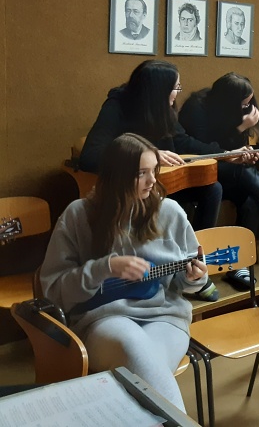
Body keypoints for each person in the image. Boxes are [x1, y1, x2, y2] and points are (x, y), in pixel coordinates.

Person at [41, 133, 208, 411]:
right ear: (116, 177)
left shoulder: (170, 212)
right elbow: (53, 291)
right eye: (141, 173)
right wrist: (103, 268)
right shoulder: (78, 215)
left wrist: (195, 277)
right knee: (138, 358)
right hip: (103, 319)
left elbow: (184, 280)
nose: (152, 181)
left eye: (154, 170)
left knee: (143, 383)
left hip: (165, 317)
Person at [78, 60, 227, 301]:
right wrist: (147, 154)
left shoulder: (165, 107)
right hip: (129, 189)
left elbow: (183, 142)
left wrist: (225, 153)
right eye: (175, 88)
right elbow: (90, 155)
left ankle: (192, 264)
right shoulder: (117, 105)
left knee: (212, 189)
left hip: (161, 183)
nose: (177, 93)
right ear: (158, 90)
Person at [180, 73, 259, 290]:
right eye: (243, 104)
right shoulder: (196, 108)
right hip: (199, 171)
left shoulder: (237, 110)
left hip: (225, 170)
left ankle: (239, 264)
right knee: (243, 174)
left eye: (248, 103)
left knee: (251, 198)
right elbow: (201, 149)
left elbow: (232, 148)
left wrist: (243, 153)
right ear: (228, 100)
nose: (247, 107)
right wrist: (239, 129)